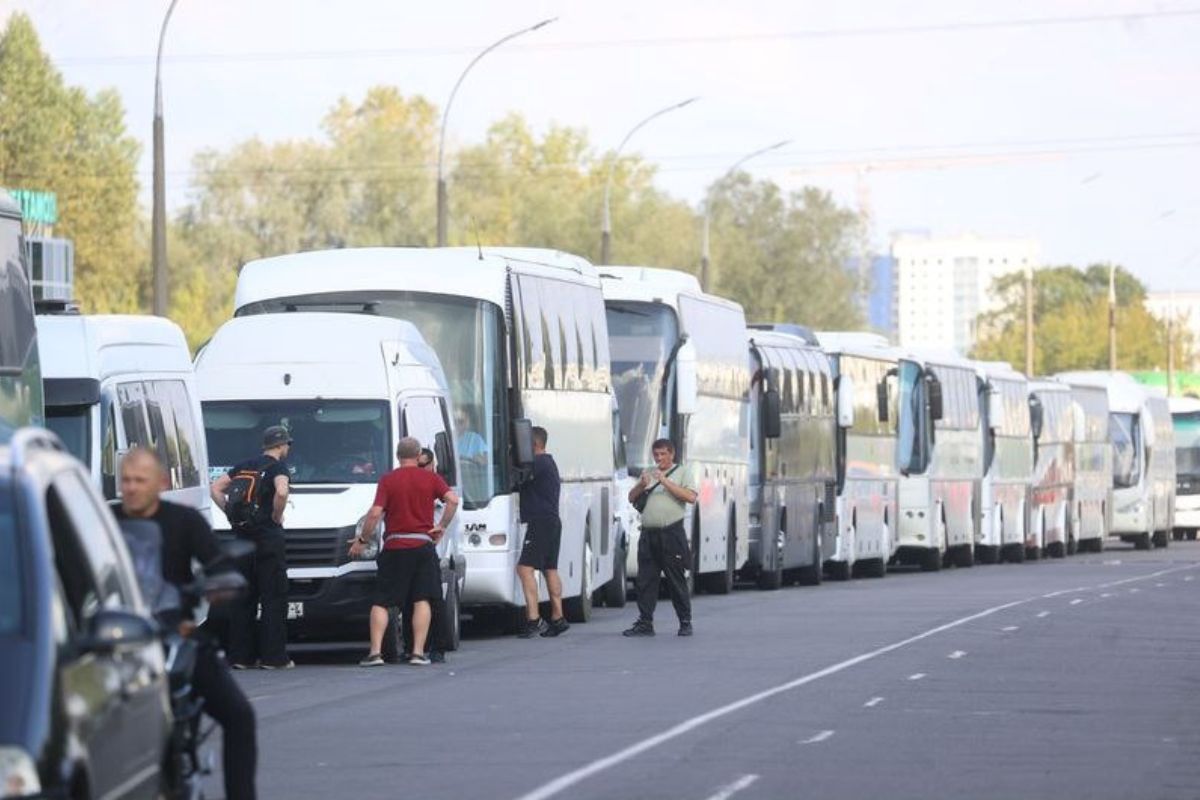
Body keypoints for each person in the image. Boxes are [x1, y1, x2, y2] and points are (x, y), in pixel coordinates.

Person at [114, 448, 258, 800]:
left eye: (139, 480)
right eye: (126, 480)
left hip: (171, 635)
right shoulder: (105, 521)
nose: (130, 488)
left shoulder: (184, 520)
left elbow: (217, 563)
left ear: (161, 483)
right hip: (118, 641)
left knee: (240, 716)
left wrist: (219, 584)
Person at [350, 436, 459, 666]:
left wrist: (362, 539)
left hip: (395, 545)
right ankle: (418, 653)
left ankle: (375, 653)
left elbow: (375, 513)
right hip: (422, 545)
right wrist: (441, 526)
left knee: (382, 600)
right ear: (419, 455)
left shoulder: (388, 480)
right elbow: (453, 500)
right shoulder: (431, 478)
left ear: (398, 456)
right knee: (422, 598)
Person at [210, 425, 294, 669]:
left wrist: (229, 513)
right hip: (268, 537)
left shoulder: (243, 465)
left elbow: (216, 488)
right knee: (273, 597)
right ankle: (274, 657)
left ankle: (240, 657)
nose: (288, 448)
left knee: (242, 598)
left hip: (241, 537)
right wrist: (276, 516)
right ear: (280, 445)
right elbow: (281, 490)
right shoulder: (278, 467)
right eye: (287, 444)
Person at [624, 438, 698, 637]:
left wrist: (665, 481)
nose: (659, 458)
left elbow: (690, 497)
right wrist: (641, 484)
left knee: (675, 580)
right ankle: (645, 622)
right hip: (649, 534)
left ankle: (685, 621)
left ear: (671, 454)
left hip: (671, 533)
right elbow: (631, 497)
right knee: (645, 580)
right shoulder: (648, 472)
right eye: (656, 455)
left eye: (663, 454)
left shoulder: (682, 472)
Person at [516, 426, 568, 638]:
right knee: (550, 568)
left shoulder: (537, 463)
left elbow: (516, 480)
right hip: (552, 520)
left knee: (524, 568)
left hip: (540, 522)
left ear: (533, 445)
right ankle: (557, 617)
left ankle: (533, 619)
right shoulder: (549, 462)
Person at [398, 447, 449, 663]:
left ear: (432, 465)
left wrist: (442, 526)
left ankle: (438, 646)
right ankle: (413, 647)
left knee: (433, 598)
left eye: (425, 464)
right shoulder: (412, 483)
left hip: (431, 547)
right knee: (412, 599)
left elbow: (452, 501)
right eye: (419, 464)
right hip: (415, 546)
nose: (421, 469)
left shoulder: (435, 482)